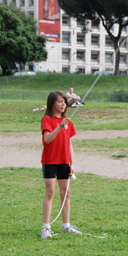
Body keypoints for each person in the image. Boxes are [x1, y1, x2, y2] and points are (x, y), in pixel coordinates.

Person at [40, 91, 82, 239]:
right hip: (50, 161)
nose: (63, 104)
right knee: (50, 192)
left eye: (64, 101)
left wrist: (72, 163)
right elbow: (47, 140)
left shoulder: (68, 122)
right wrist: (59, 126)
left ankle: (66, 226)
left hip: (64, 162)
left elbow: (69, 143)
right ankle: (45, 228)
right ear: (52, 104)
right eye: (59, 101)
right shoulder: (47, 120)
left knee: (66, 194)